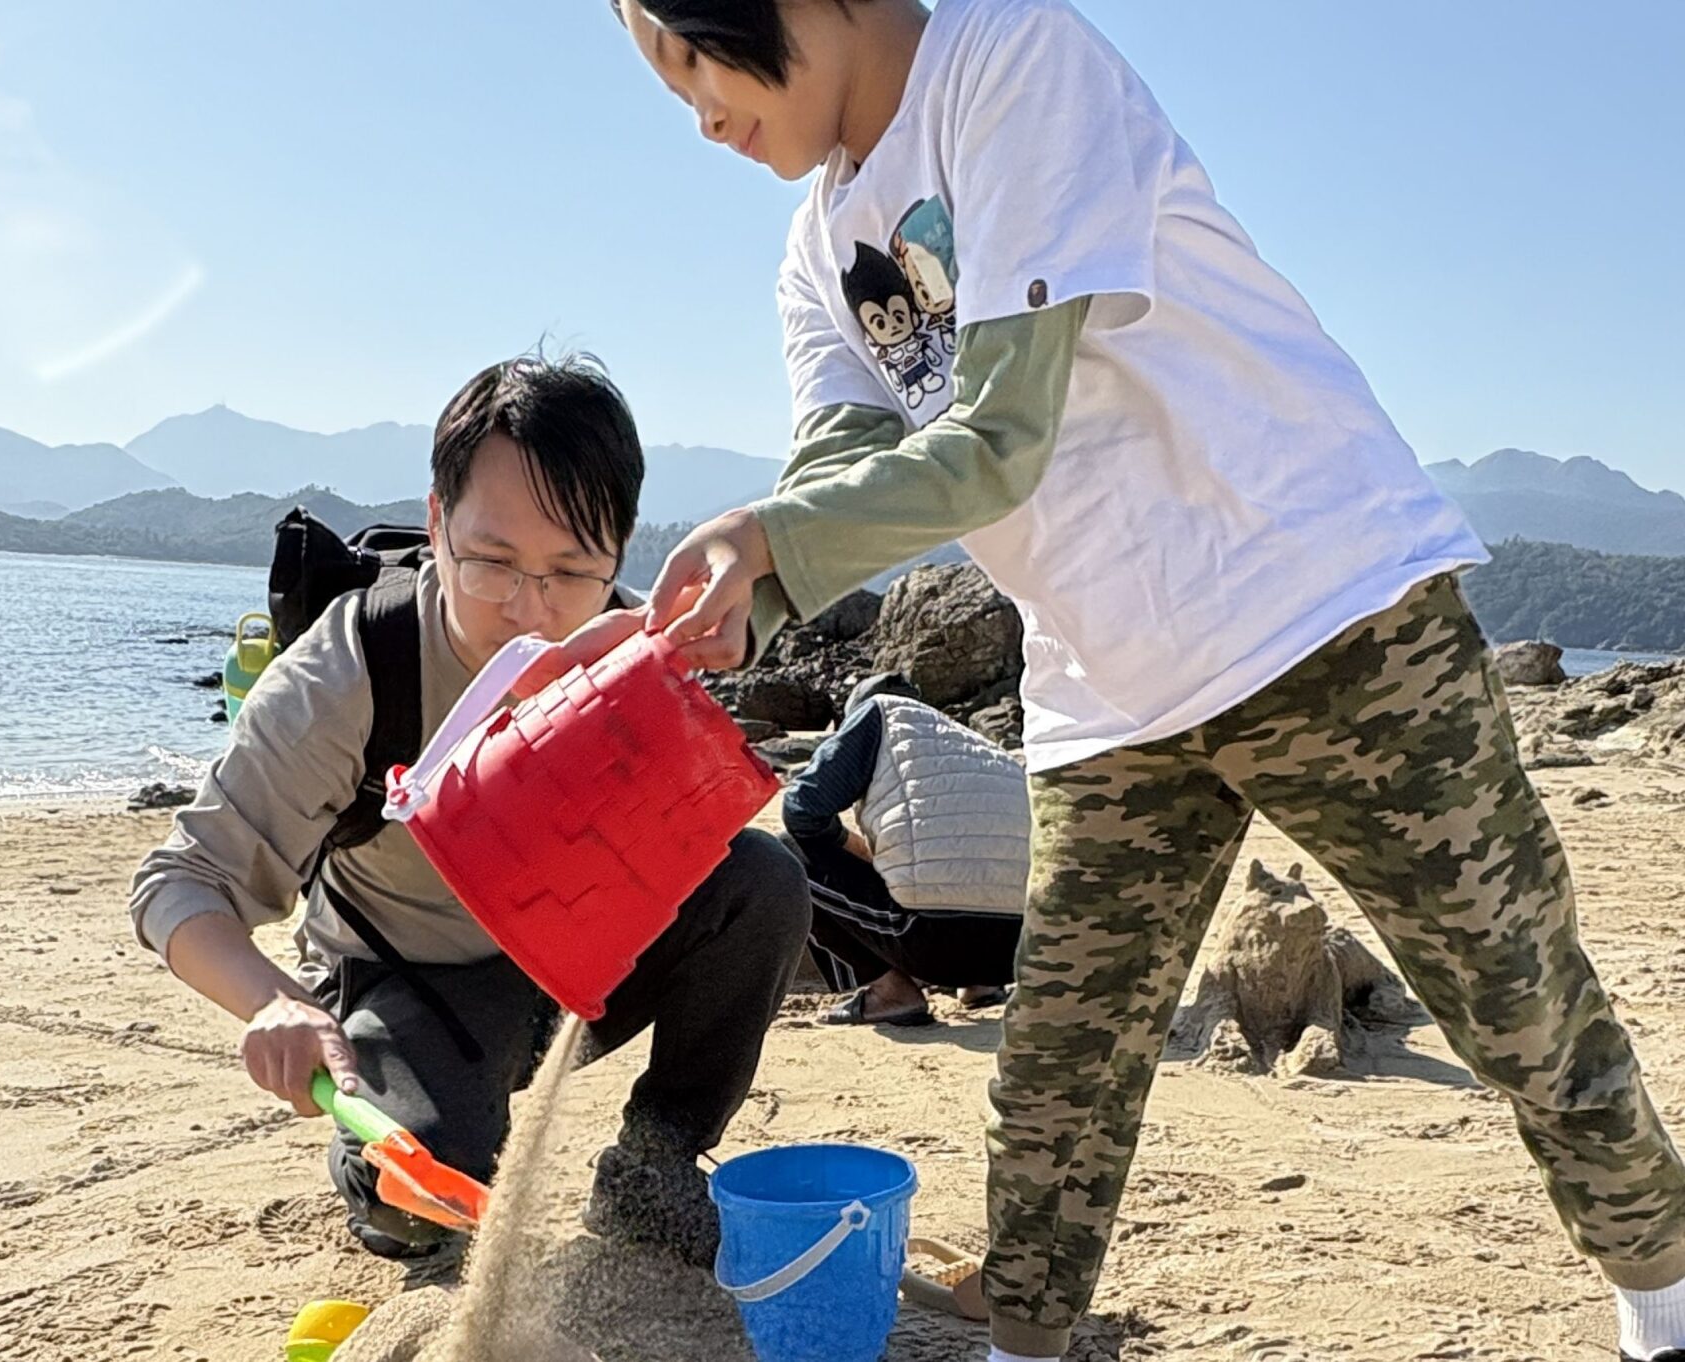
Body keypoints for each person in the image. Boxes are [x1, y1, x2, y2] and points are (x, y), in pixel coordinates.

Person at [518, 4, 1685, 1359]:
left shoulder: (1014, 64)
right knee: (1060, 1072)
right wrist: (724, 603)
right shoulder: (811, 254)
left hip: (1324, 609)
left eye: (696, 63)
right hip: (1109, 692)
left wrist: (768, 543)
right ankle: (1022, 1346)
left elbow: (1001, 439)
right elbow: (836, 478)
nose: (703, 117)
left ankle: (1663, 1306)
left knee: (1515, 995)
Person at [129, 353, 810, 1271]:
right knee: (423, 1209)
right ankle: (398, 1141)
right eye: (492, 562)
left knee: (760, 881)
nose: (530, 611)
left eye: (573, 571)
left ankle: (654, 1168)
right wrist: (277, 1008)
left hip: (575, 968)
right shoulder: (352, 675)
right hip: (413, 981)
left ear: (620, 552)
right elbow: (178, 882)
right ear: (438, 522)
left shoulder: (625, 650)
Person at [782, 673, 1028, 1026]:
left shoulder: (877, 715)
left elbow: (801, 810)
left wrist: (857, 849)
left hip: (935, 945)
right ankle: (981, 986)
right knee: (969, 855)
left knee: (787, 855)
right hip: (1015, 953)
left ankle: (890, 992)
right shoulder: (978, 746)